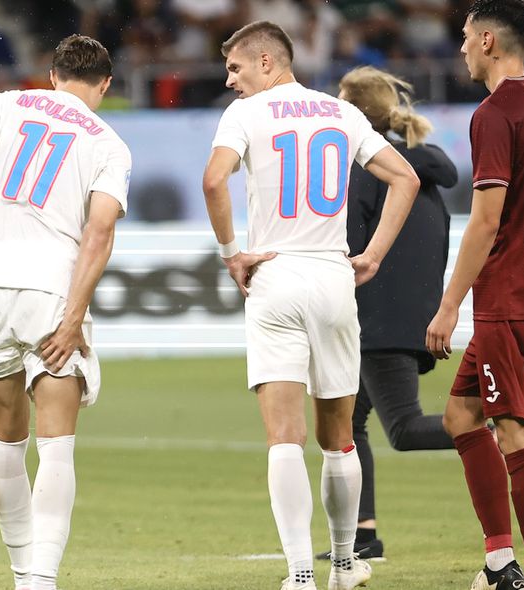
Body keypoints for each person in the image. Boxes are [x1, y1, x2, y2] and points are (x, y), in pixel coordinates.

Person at [203, 21, 420, 590]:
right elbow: (406, 178)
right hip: (332, 276)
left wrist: (232, 254)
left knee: (283, 437)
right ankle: (345, 565)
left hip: (275, 275)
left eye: (236, 68)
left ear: (269, 62)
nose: (231, 82)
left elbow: (212, 181)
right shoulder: (341, 114)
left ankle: (301, 573)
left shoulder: (245, 117)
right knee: (340, 436)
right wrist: (370, 256)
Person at [0, 34, 131, 590]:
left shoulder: (8, 103)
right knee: (55, 445)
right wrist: (73, 317)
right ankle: (40, 580)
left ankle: (20, 575)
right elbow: (99, 232)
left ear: (53, 74)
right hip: (50, 293)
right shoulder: (109, 143)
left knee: (6, 442)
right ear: (104, 85)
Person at [425, 2, 524, 590]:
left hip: (510, 295)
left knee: (517, 430)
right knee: (461, 417)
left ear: (488, 40)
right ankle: (498, 564)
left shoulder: (495, 113)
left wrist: (448, 306)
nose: (461, 48)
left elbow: (485, 220)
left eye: (466, 38)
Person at [315, 66, 458, 562]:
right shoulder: (425, 168)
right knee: (347, 423)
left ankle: (498, 426)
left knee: (403, 428)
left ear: (353, 111)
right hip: (411, 313)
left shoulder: (366, 168)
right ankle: (363, 535)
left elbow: (349, 241)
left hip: (376, 318)